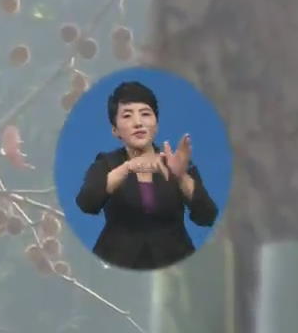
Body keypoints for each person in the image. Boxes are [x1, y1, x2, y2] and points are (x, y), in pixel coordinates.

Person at [75, 81, 219, 270]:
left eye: (145, 114)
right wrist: (127, 168)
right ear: (115, 130)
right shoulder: (106, 164)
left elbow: (207, 216)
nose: (138, 122)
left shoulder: (176, 163)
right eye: (127, 115)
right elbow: (86, 202)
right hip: (117, 261)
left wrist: (181, 177)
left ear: (156, 125)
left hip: (174, 261)